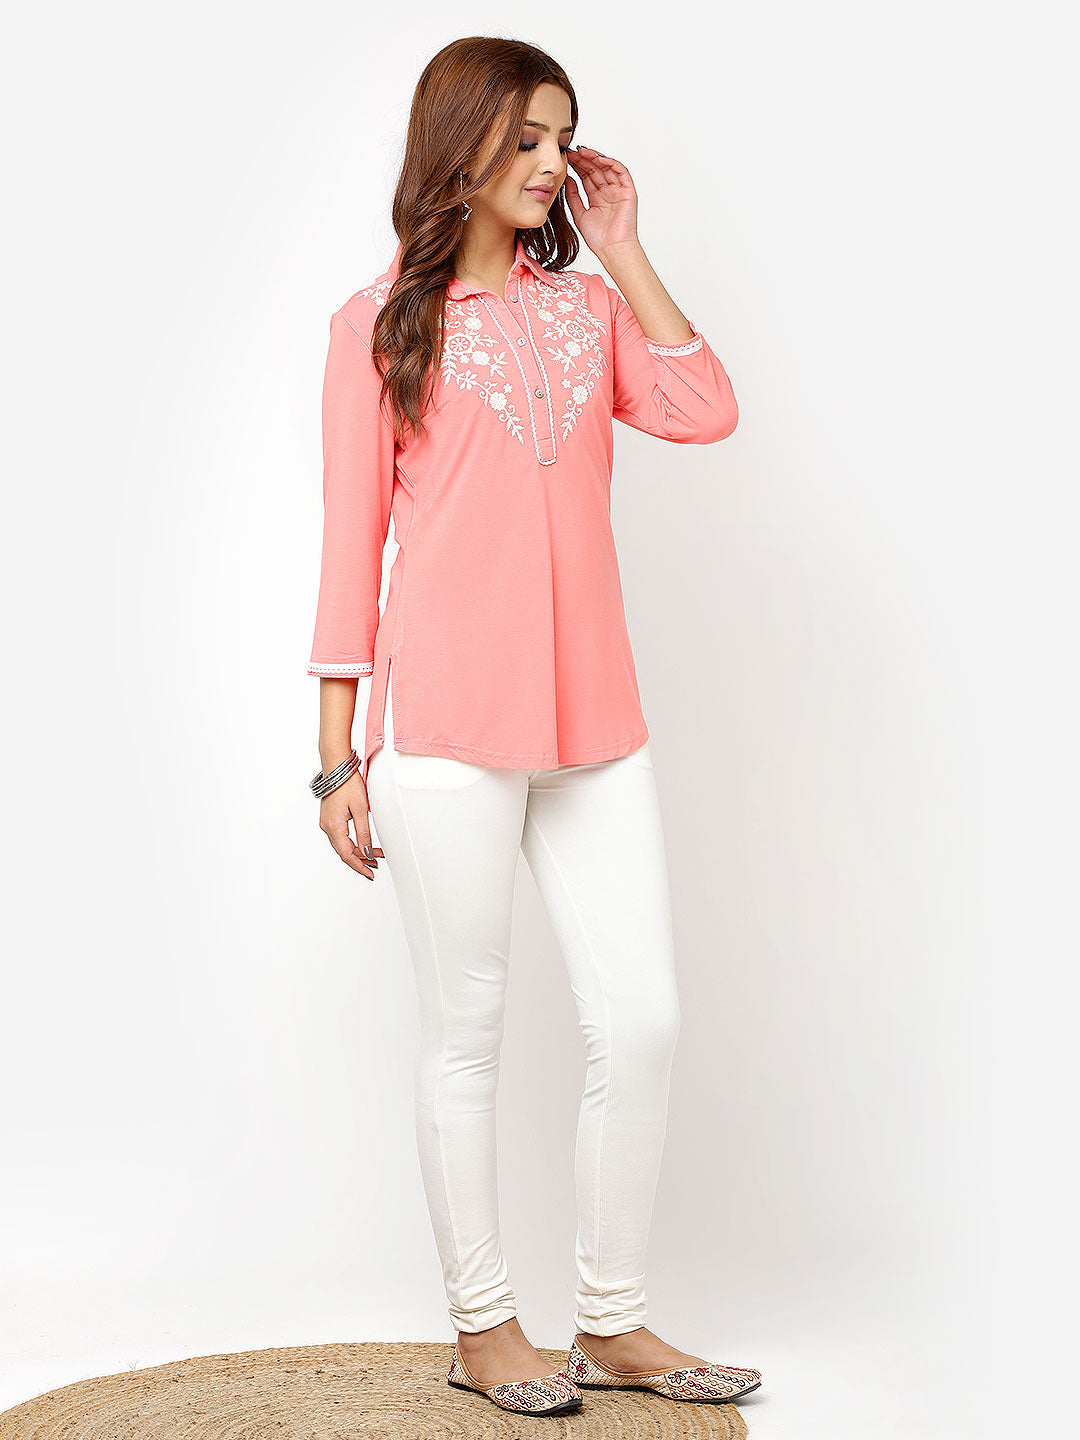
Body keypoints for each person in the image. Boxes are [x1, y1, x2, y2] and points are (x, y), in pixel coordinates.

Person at [305, 36, 761, 1419]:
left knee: (644, 1019)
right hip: (446, 728)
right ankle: (484, 1328)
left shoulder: (587, 311)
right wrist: (336, 759)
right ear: (458, 147)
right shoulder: (379, 325)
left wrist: (622, 247)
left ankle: (612, 1322)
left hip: (595, 726)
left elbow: (707, 408)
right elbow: (349, 550)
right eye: (524, 139)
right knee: (468, 1036)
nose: (552, 163)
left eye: (563, 137)